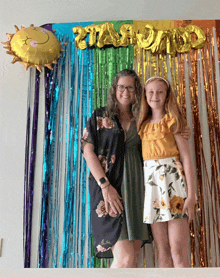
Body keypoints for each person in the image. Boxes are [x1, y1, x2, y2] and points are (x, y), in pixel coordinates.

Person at [81, 70, 190, 268]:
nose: (125, 91)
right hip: (108, 188)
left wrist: (182, 130)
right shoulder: (100, 115)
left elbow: (162, 140)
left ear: (137, 91)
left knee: (134, 259)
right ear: (115, 89)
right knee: (125, 259)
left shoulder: (141, 118)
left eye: (130, 87)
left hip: (140, 189)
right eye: (121, 87)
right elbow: (87, 151)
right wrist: (104, 185)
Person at [137, 76, 196, 268]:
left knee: (177, 249)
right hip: (153, 189)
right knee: (162, 249)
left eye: (160, 92)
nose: (155, 96)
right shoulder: (142, 125)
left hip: (175, 187)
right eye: (151, 92)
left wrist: (192, 195)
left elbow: (186, 158)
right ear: (145, 96)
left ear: (167, 95)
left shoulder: (173, 121)